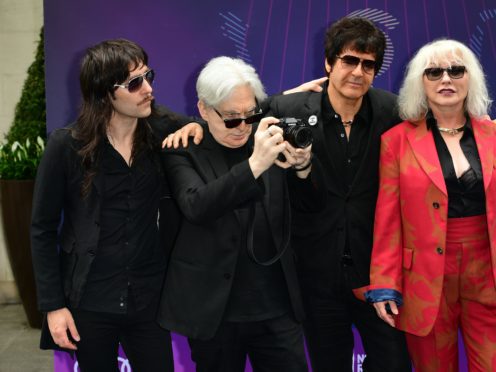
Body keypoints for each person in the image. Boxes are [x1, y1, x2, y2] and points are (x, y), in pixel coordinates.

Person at [30, 38, 199, 371]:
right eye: (135, 83)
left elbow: (221, 126)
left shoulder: (163, 128)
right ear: (105, 92)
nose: (148, 88)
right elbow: (42, 228)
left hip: (150, 299)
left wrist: (284, 106)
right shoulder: (66, 146)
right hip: (89, 300)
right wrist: (53, 307)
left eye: (149, 76)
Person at [158, 56, 323, 372]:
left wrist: (303, 167)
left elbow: (310, 208)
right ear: (204, 110)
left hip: (276, 305)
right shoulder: (183, 147)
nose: (243, 127)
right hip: (214, 312)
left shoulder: (267, 136)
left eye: (250, 115)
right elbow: (197, 205)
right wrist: (256, 164)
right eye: (231, 119)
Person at [267, 17, 411, 371]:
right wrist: (194, 125)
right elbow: (236, 114)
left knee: (394, 364)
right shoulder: (290, 111)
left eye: (368, 64)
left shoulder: (394, 113)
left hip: (377, 274)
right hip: (316, 273)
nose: (358, 72)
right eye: (349, 60)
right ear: (329, 63)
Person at [365, 39, 495, 371]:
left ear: (471, 78)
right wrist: (384, 282)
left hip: (488, 273)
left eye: (455, 70)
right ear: (420, 83)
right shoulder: (395, 141)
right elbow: (387, 219)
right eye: (434, 72)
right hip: (424, 278)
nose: (446, 79)